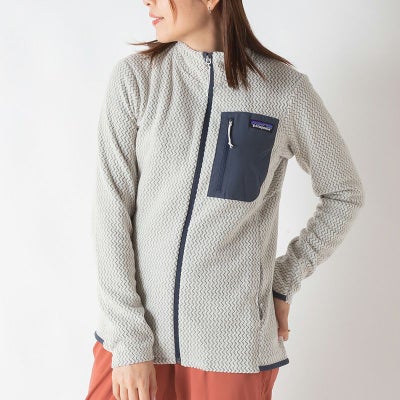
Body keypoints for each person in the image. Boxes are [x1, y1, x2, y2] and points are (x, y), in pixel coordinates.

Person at [85, 0, 365, 399]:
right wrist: (128, 338)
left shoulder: (284, 91)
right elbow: (111, 213)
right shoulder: (137, 79)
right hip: (133, 344)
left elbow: (344, 193)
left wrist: (283, 280)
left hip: (231, 354)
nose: (147, 1)